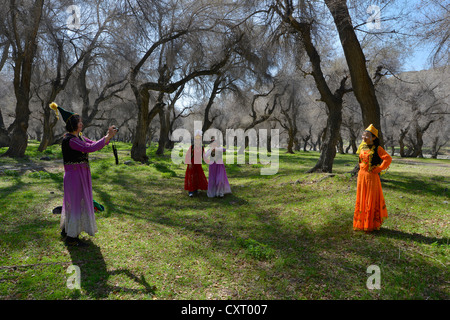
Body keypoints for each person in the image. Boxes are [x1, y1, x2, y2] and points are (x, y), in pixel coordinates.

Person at [50, 102, 117, 246]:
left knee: (76, 203)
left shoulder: (79, 137)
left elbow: (92, 143)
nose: (81, 124)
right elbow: (90, 148)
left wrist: (107, 137)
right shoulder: (70, 140)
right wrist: (108, 136)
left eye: (80, 122)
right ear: (72, 124)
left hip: (81, 175)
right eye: (79, 122)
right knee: (74, 204)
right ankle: (72, 238)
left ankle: (68, 230)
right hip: (74, 177)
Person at [353, 124, 392, 232]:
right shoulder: (362, 147)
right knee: (362, 199)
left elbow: (388, 158)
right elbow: (360, 161)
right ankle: (361, 223)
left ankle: (371, 224)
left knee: (370, 199)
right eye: (363, 136)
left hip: (371, 178)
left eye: (366, 136)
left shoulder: (378, 148)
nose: (364, 138)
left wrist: (380, 168)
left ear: (373, 138)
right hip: (361, 177)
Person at [184, 130, 208, 197]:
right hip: (192, 164)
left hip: (198, 164)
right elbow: (188, 155)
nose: (198, 140)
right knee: (191, 176)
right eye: (196, 139)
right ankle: (190, 191)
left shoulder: (202, 147)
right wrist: (189, 163)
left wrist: (210, 161)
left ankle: (196, 190)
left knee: (197, 176)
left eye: (199, 139)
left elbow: (204, 156)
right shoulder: (192, 147)